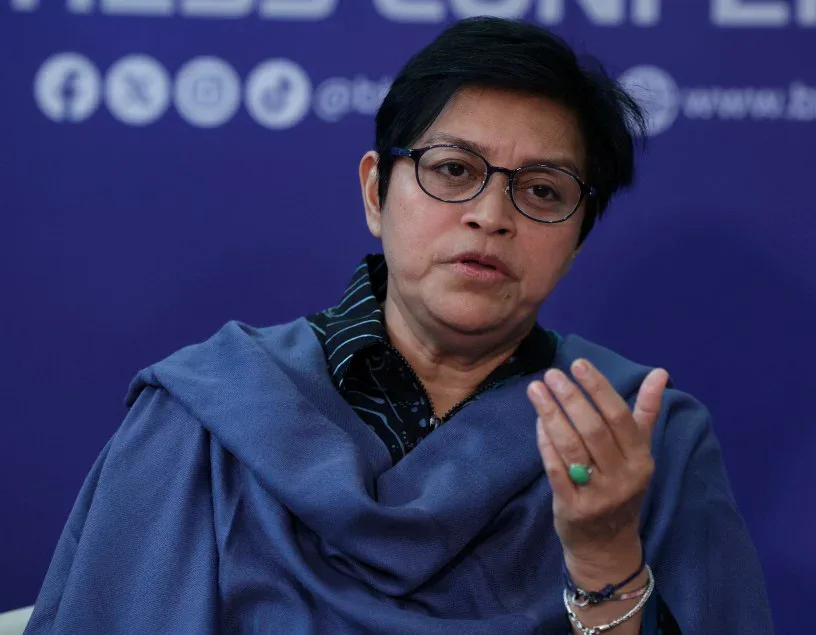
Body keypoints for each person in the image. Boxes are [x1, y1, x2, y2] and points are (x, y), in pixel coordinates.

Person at [25, 17, 773, 635]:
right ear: (376, 192)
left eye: (543, 190)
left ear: (577, 239)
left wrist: (605, 558)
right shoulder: (202, 417)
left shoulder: (638, 441)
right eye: (454, 170)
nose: (491, 215)